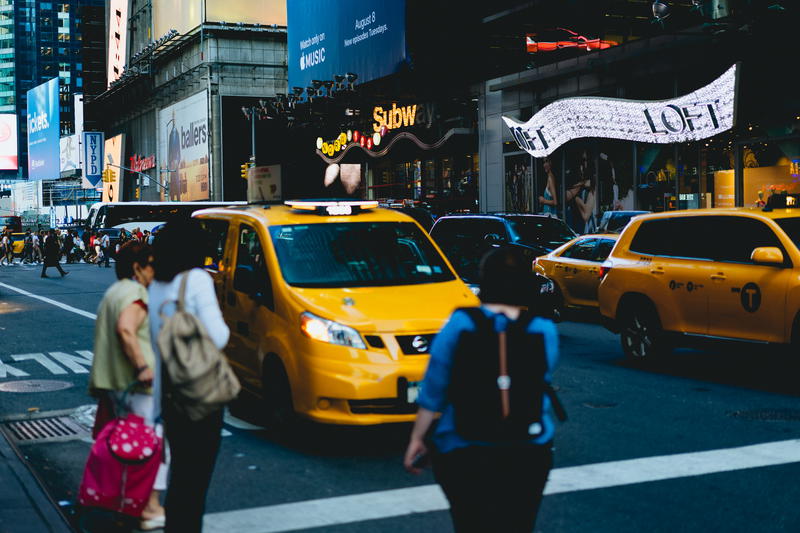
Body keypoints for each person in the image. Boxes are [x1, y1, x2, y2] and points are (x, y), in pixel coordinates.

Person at [404, 247, 560, 533]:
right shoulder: (543, 330)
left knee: (470, 523)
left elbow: (434, 389)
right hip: (527, 451)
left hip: (465, 448)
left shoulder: (460, 324)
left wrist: (418, 437)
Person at [147, 219, 229, 533]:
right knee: (195, 483)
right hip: (200, 394)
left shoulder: (156, 284)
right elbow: (219, 336)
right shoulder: (196, 279)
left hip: (169, 395)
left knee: (181, 475)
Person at [87, 241, 167, 531]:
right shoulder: (136, 293)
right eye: (151, 265)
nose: (155, 271)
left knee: (127, 445)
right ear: (138, 267)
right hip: (138, 384)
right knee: (153, 445)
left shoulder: (113, 292)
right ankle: (150, 507)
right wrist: (143, 366)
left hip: (115, 383)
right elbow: (126, 329)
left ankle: (127, 501)